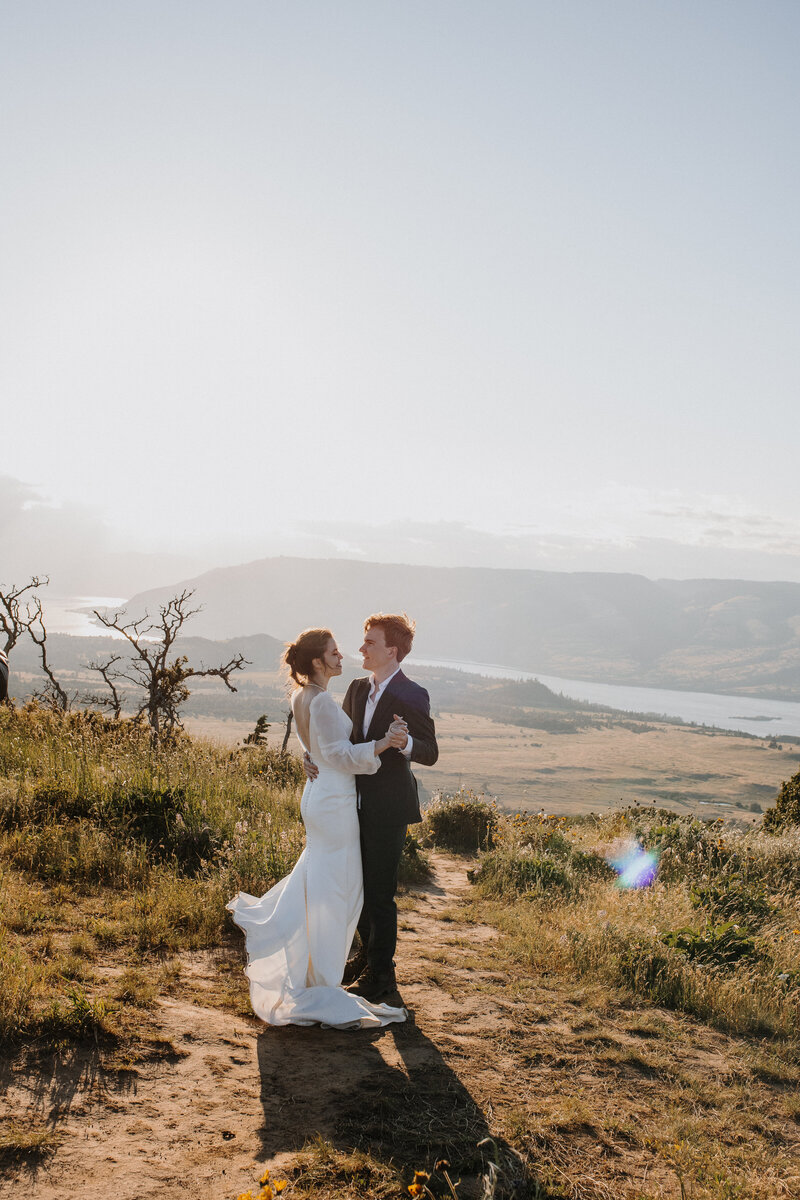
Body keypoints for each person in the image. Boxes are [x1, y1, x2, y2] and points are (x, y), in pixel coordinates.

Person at [226, 628, 408, 1029]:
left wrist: (311, 757)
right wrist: (383, 744)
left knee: (322, 881)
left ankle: (311, 968)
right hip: (335, 802)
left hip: (319, 795)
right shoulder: (322, 700)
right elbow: (339, 753)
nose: (342, 656)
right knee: (339, 890)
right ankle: (321, 978)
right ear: (316, 662)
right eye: (334, 652)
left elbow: (315, 746)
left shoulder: (301, 696)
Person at [305, 612, 439, 1004]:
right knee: (355, 890)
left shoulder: (413, 694)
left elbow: (429, 752)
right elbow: (340, 743)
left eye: (370, 643)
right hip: (348, 805)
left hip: (388, 809)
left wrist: (404, 743)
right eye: (362, 642)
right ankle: (366, 959)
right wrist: (307, 754)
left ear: (392, 651)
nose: (360, 648)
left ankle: (383, 978)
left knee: (380, 896)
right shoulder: (357, 689)